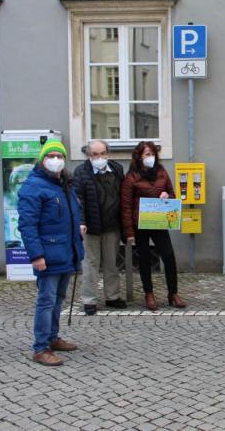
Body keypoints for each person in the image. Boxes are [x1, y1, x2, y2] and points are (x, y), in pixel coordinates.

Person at [17, 139, 85, 366]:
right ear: (42, 159)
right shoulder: (34, 186)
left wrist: (79, 228)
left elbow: (70, 215)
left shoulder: (64, 184)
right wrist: (36, 255)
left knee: (58, 299)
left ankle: (53, 338)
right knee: (46, 301)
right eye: (51, 156)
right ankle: (41, 347)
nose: (55, 160)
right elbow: (27, 225)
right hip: (48, 254)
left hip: (66, 251)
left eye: (59, 156)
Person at [120, 141, 185, 311]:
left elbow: (172, 193)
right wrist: (129, 232)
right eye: (147, 154)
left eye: (152, 153)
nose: (150, 157)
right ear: (139, 156)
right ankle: (149, 294)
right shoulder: (131, 177)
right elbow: (125, 205)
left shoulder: (161, 172)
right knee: (144, 259)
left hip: (159, 221)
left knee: (169, 256)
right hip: (140, 224)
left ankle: (173, 293)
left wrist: (167, 195)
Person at [73, 140, 126, 315]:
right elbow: (78, 200)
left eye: (102, 153)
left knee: (112, 263)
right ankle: (89, 300)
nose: (100, 157)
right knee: (90, 264)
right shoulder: (81, 172)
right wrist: (81, 222)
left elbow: (123, 196)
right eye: (95, 154)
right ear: (89, 155)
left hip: (112, 225)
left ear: (107, 153)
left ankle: (113, 296)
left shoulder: (116, 169)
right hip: (91, 226)